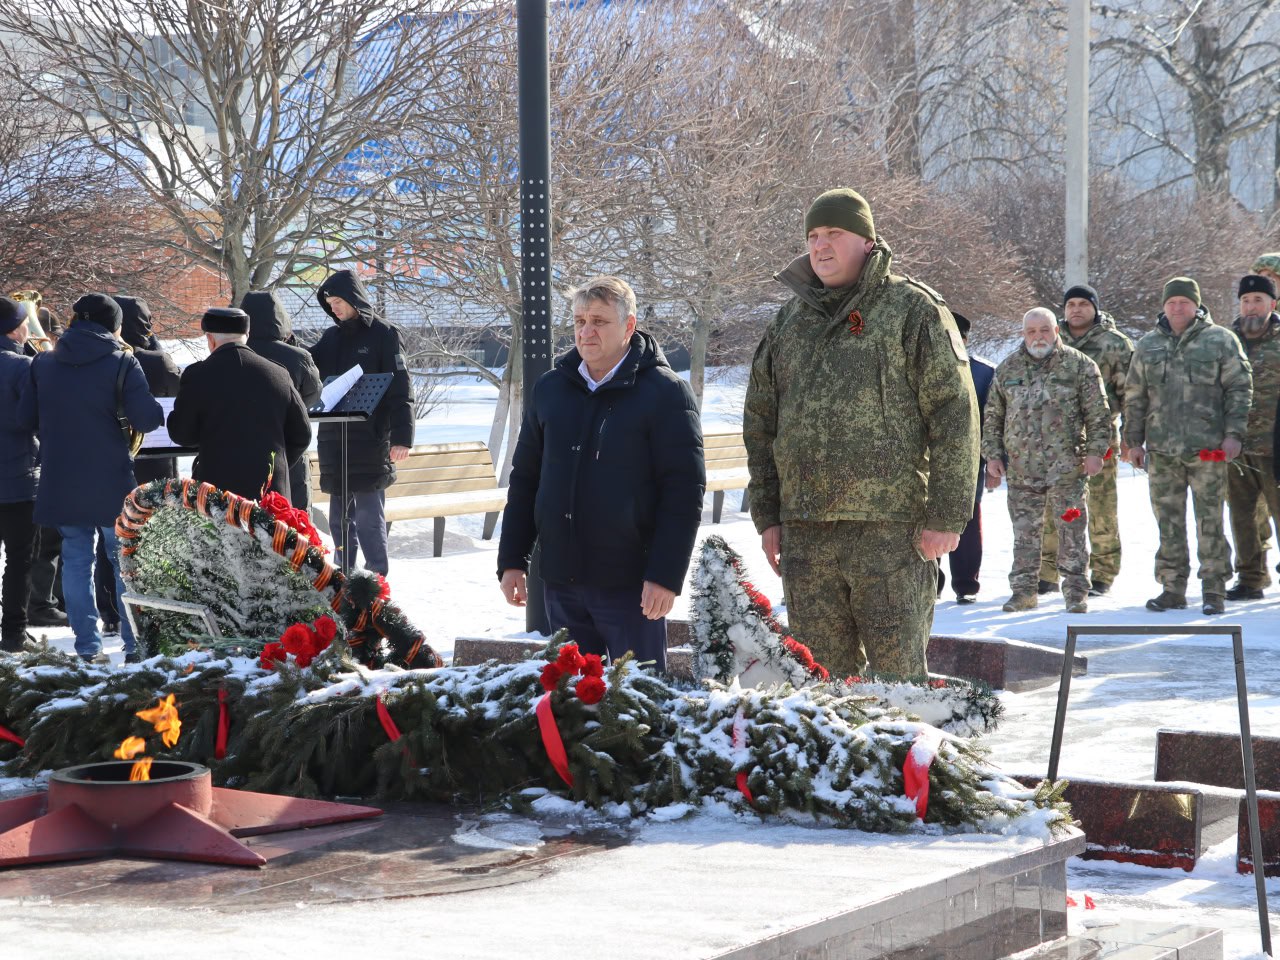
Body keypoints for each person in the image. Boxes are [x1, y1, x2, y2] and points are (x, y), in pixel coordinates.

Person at [742, 187, 979, 680]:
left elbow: (954, 415)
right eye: (813, 236)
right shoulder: (788, 323)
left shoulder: (912, 311)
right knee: (820, 687)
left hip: (891, 534)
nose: (820, 246)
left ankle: (906, 761)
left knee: (899, 686)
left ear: (868, 242)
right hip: (807, 536)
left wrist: (948, 515)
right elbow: (761, 423)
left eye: (834, 233)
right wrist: (768, 514)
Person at [498, 277, 704, 670]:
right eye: (579, 321)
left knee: (639, 711)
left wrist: (665, 575)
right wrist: (512, 559)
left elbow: (683, 491)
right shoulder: (550, 389)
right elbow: (526, 479)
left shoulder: (665, 393)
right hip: (561, 581)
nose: (585, 331)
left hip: (632, 585)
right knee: (572, 706)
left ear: (629, 326)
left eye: (599, 321)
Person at [16, 293, 163, 663]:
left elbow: (25, 420)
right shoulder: (122, 361)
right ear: (112, 326)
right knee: (124, 562)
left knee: (76, 560)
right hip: (112, 478)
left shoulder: (42, 363)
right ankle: (132, 647)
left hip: (60, 477)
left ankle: (88, 649)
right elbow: (147, 420)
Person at [1125, 277, 1252, 615]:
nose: (1178, 307)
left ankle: (1214, 588)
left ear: (1196, 305)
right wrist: (1133, 441)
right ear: (1164, 306)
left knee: (1209, 520)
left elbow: (1240, 389)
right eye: (1172, 302)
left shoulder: (1221, 340)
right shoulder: (1148, 345)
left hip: (1208, 450)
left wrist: (1234, 434)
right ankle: (1172, 587)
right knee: (1168, 521)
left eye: (1184, 301)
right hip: (1163, 451)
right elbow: (1135, 397)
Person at [984, 308, 1111, 613]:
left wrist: (1095, 452)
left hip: (1066, 469)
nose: (1038, 337)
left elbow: (1098, 415)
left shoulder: (1080, 366)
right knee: (1024, 534)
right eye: (1031, 331)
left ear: (1056, 332)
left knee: (1071, 531)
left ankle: (1076, 592)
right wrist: (991, 455)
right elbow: (992, 416)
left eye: (1044, 330)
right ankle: (1024, 592)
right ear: (1023, 334)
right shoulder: (1008, 369)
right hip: (1021, 470)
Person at [310, 270, 414, 575]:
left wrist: (402, 436)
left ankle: (376, 582)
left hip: (371, 440)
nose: (334, 308)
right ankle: (344, 579)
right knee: (337, 519)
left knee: (369, 517)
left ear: (355, 298)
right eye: (329, 303)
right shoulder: (330, 337)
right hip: (334, 441)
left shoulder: (384, 334)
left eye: (339, 301)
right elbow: (309, 368)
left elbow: (401, 387)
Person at [92, 296, 183, 634]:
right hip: (155, 466)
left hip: (111, 465)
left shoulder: (102, 360)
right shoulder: (157, 360)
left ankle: (112, 613)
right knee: (157, 538)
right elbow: (175, 387)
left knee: (111, 541)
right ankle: (159, 610)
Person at [1038, 285, 1134, 597]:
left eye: (1083, 304)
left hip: (1099, 437)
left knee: (1101, 506)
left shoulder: (1114, 344)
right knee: (1052, 510)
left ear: (1094, 307)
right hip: (1054, 441)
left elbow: (1131, 394)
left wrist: (1131, 436)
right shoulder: (1049, 340)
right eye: (1070, 305)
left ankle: (1104, 571)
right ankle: (1047, 572)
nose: (1076, 310)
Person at [167, 308, 312, 502]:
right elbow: (302, 434)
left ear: (210, 338)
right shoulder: (278, 374)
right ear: (247, 335)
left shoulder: (197, 376)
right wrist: (273, 466)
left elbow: (182, 434)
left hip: (217, 495)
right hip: (270, 494)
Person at [1223, 275, 1280, 600]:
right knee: (1243, 517)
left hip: (1276, 448)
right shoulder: (1227, 340)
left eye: (1258, 300)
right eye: (1246, 301)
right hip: (1237, 446)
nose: (1251, 307)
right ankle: (1250, 578)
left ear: (1272, 304)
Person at [241, 290, 322, 510]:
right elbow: (313, 393)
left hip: (243, 448)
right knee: (295, 519)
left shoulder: (235, 353)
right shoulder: (297, 357)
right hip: (288, 445)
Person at [943, 312, 995, 603]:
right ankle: (931, 584)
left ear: (964, 339)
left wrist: (993, 461)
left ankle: (966, 585)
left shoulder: (984, 373)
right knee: (925, 521)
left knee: (967, 520)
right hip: (927, 461)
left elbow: (993, 418)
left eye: (955, 336)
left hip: (969, 460)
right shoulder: (919, 366)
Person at [0, 298, 38, 652]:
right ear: (15, 328)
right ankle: (13, 633)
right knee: (19, 559)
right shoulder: (22, 366)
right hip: (16, 479)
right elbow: (29, 419)